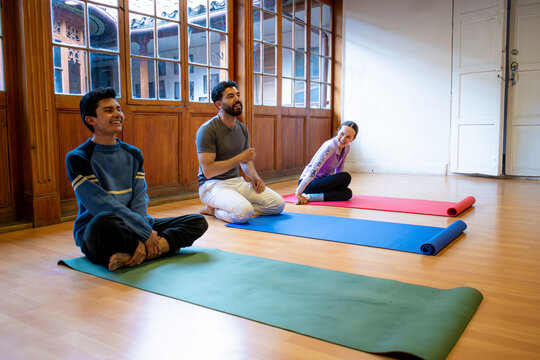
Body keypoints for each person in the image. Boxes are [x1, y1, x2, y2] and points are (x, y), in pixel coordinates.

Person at [66, 87, 208, 271]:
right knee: (104, 220)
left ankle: (137, 253)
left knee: (197, 222)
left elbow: (140, 197)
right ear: (91, 119)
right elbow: (101, 204)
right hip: (101, 230)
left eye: (118, 109)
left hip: (135, 223)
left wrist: (144, 232)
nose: (117, 114)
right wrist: (145, 233)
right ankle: (161, 248)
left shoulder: (133, 154)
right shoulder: (78, 157)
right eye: (109, 110)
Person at [196, 81, 285, 223]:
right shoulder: (207, 130)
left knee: (278, 205)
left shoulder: (242, 128)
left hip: (237, 182)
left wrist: (255, 178)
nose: (237, 99)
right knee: (244, 213)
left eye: (237, 95)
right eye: (230, 96)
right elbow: (208, 171)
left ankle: (231, 208)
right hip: (212, 185)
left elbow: (246, 161)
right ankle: (213, 209)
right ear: (219, 104)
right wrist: (239, 158)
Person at [295, 121, 358, 205]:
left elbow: (340, 169)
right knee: (346, 177)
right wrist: (298, 192)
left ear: (353, 139)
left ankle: (308, 197)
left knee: (347, 193)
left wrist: (339, 185)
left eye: (348, 137)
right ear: (338, 130)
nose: (343, 139)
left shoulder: (346, 148)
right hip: (309, 183)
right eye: (342, 134)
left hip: (322, 183)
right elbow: (313, 170)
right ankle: (305, 193)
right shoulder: (330, 146)